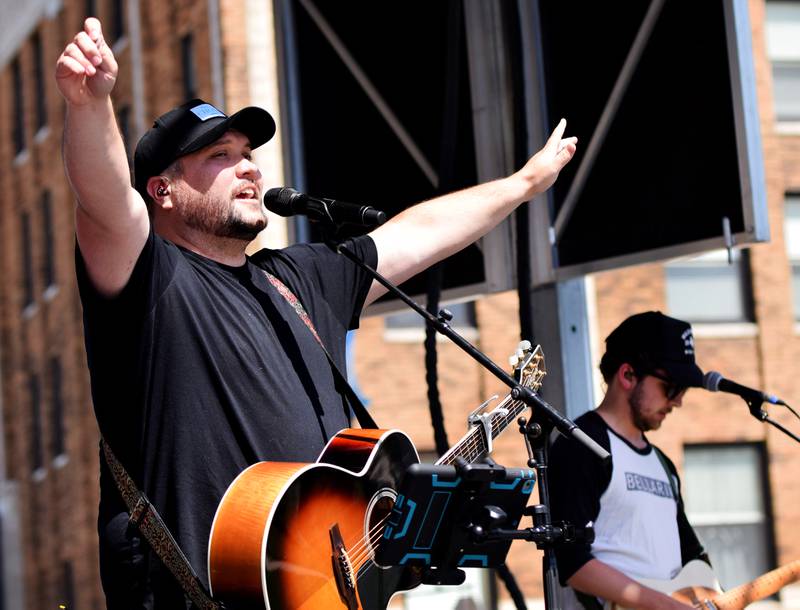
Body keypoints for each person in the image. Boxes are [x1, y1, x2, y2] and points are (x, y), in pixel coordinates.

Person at [55, 17, 577, 609]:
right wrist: (89, 103)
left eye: (249, 154)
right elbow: (102, 200)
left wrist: (522, 184)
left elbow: (417, 234)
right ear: (163, 191)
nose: (249, 167)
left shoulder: (295, 280)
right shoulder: (151, 278)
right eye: (219, 155)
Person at [549, 311, 712, 610]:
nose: (678, 401)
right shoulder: (583, 445)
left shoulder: (663, 464)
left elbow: (692, 555)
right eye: (671, 386)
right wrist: (665, 605)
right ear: (627, 375)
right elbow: (573, 562)